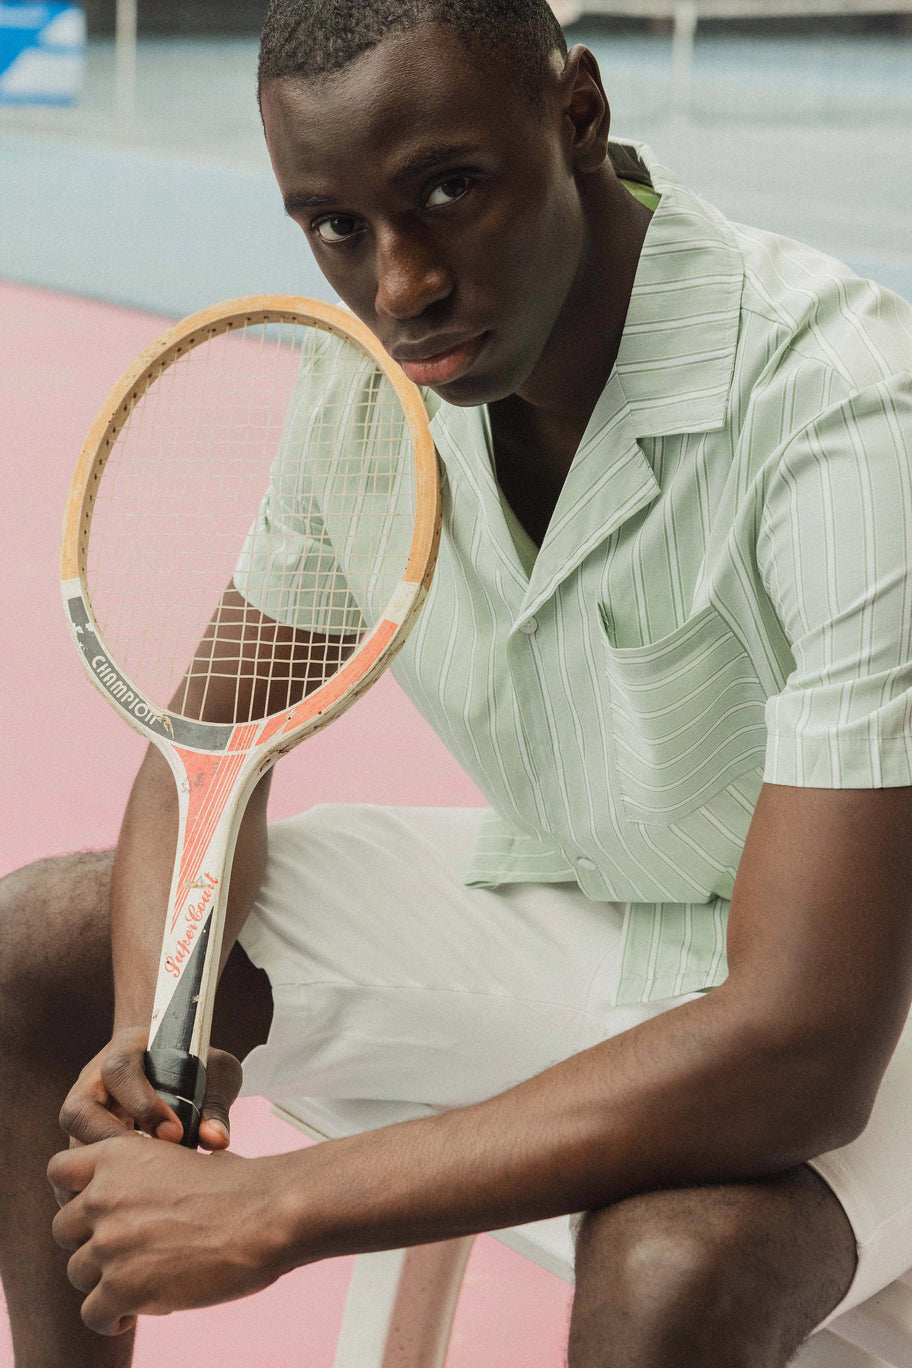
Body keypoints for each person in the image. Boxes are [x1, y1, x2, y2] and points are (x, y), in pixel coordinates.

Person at [2, 0, 912, 1363]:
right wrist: (153, 1033)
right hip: (593, 909)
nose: (400, 285)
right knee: (42, 953)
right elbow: (208, 753)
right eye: (337, 227)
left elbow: (806, 1040)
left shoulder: (844, 414)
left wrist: (278, 1209)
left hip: (862, 998)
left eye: (450, 191)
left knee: (674, 1268)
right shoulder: (372, 386)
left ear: (579, 114)